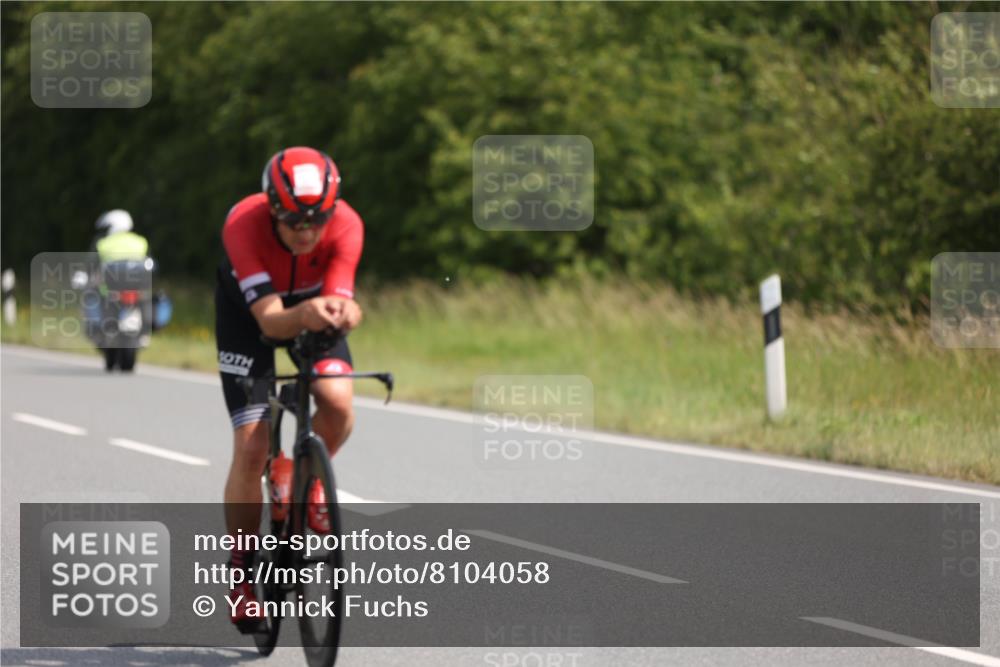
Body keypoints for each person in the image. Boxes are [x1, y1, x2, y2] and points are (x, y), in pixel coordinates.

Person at [215, 146, 364, 631]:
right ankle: (241, 574)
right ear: (271, 209)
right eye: (293, 220)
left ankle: (304, 478)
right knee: (251, 446)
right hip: (249, 319)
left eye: (317, 220)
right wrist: (309, 313)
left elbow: (340, 298)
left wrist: (347, 311)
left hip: (311, 309)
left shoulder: (348, 224)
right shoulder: (243, 224)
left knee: (338, 405)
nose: (306, 231)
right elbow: (272, 322)